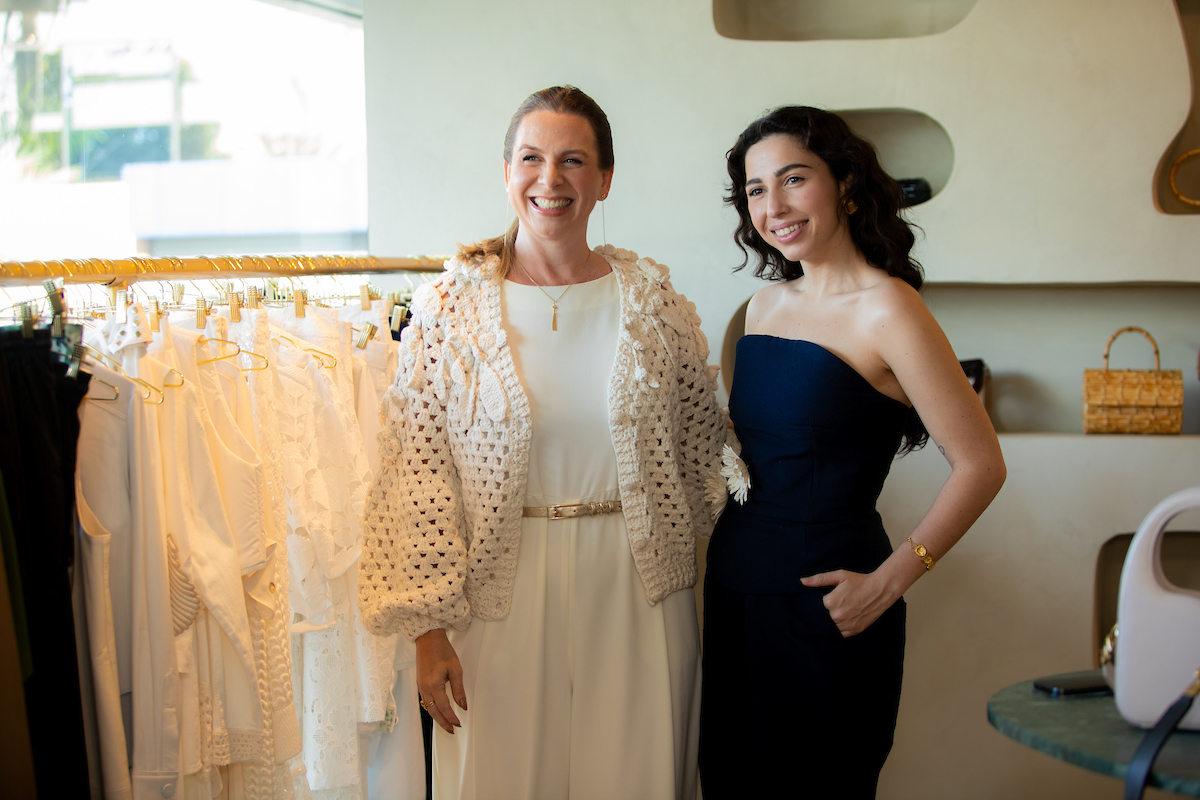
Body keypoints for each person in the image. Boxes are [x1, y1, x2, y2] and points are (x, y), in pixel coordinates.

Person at [358, 85, 728, 800]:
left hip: (639, 588)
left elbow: (701, 452)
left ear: (604, 180)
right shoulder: (447, 312)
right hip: (501, 591)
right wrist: (429, 632)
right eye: (531, 158)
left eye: (573, 161)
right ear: (507, 173)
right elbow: (416, 476)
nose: (550, 180)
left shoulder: (656, 307)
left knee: (637, 779)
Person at [697, 106, 1006, 799]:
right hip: (736, 592)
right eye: (754, 190)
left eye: (793, 179)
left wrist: (893, 580)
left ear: (843, 182)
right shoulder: (762, 309)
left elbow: (982, 465)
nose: (772, 207)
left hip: (830, 606)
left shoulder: (890, 310)